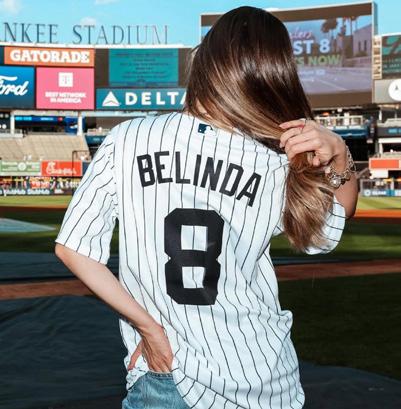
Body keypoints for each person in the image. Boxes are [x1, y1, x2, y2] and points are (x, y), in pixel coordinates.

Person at [55, 6, 358, 409]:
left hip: (169, 375)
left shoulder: (128, 138)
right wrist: (341, 155)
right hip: (264, 375)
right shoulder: (275, 159)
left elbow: (73, 248)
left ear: (204, 61)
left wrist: (149, 330)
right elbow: (337, 219)